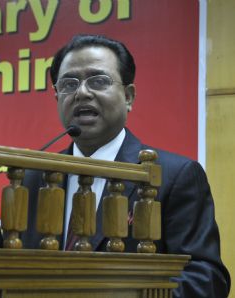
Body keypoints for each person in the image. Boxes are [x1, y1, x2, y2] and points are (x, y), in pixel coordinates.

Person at [21, 34, 231, 297]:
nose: (82, 92)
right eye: (69, 84)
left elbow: (207, 279)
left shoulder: (173, 176)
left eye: (98, 81)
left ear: (129, 96)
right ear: (56, 96)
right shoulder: (34, 178)